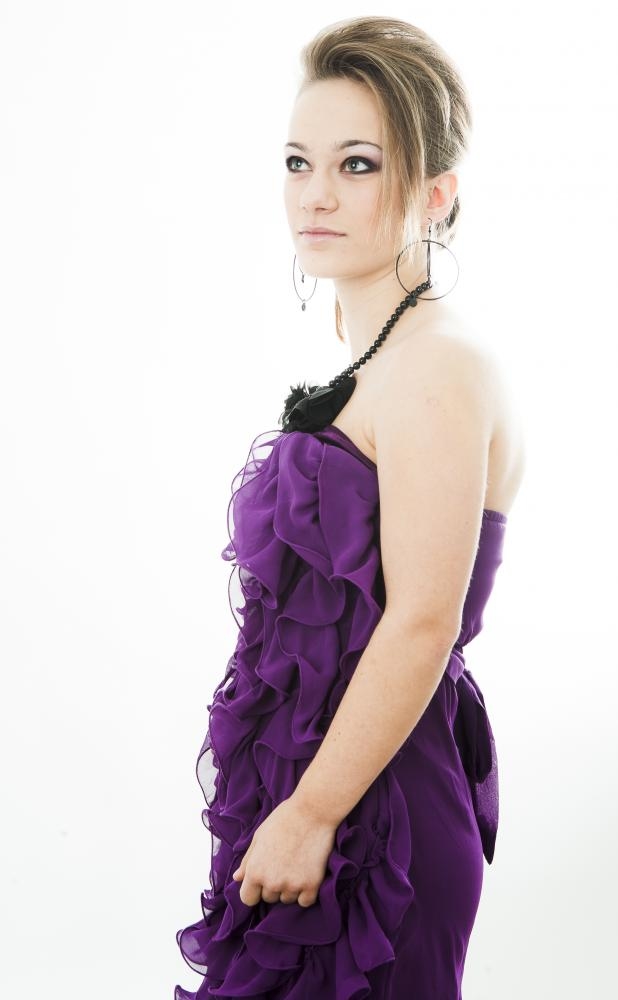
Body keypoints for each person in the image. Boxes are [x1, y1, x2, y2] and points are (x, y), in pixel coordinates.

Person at [175, 14, 526, 999]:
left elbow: (421, 621)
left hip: (380, 821)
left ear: (435, 193)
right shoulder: (385, 358)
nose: (315, 193)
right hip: (331, 790)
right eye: (298, 162)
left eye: (358, 164)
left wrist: (311, 812)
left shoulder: (437, 367)